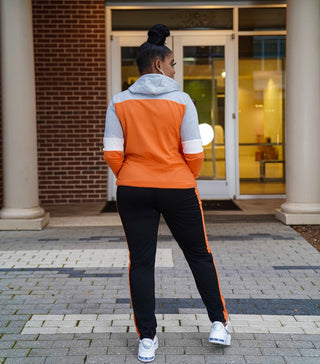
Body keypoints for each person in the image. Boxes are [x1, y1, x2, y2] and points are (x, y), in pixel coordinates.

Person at [103, 24, 230, 363]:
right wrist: (184, 176)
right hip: (178, 187)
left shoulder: (119, 102)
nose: (176, 69)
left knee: (141, 263)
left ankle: (147, 340)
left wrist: (131, 175)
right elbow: (195, 152)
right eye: (173, 63)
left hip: (133, 189)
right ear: (159, 64)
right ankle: (219, 323)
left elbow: (112, 153)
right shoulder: (182, 101)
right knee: (199, 255)